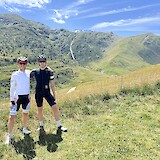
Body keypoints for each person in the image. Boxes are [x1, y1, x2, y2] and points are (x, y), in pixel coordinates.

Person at [30, 55, 67, 132]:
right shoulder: (35, 72)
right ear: (38, 63)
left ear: (46, 62)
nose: (42, 63)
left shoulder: (49, 72)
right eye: (40, 61)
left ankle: (59, 125)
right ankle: (41, 126)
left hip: (47, 92)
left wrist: (54, 94)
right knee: (39, 109)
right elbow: (27, 75)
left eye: (43, 61)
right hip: (38, 92)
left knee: (55, 107)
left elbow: (52, 84)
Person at [5, 57, 31, 144]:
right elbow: (12, 88)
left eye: (24, 63)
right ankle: (9, 136)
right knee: (12, 116)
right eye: (21, 63)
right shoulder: (15, 74)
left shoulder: (29, 73)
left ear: (26, 64)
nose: (22, 65)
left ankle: (24, 129)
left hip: (26, 97)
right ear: (18, 64)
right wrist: (11, 99)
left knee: (25, 113)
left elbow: (39, 70)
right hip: (17, 98)